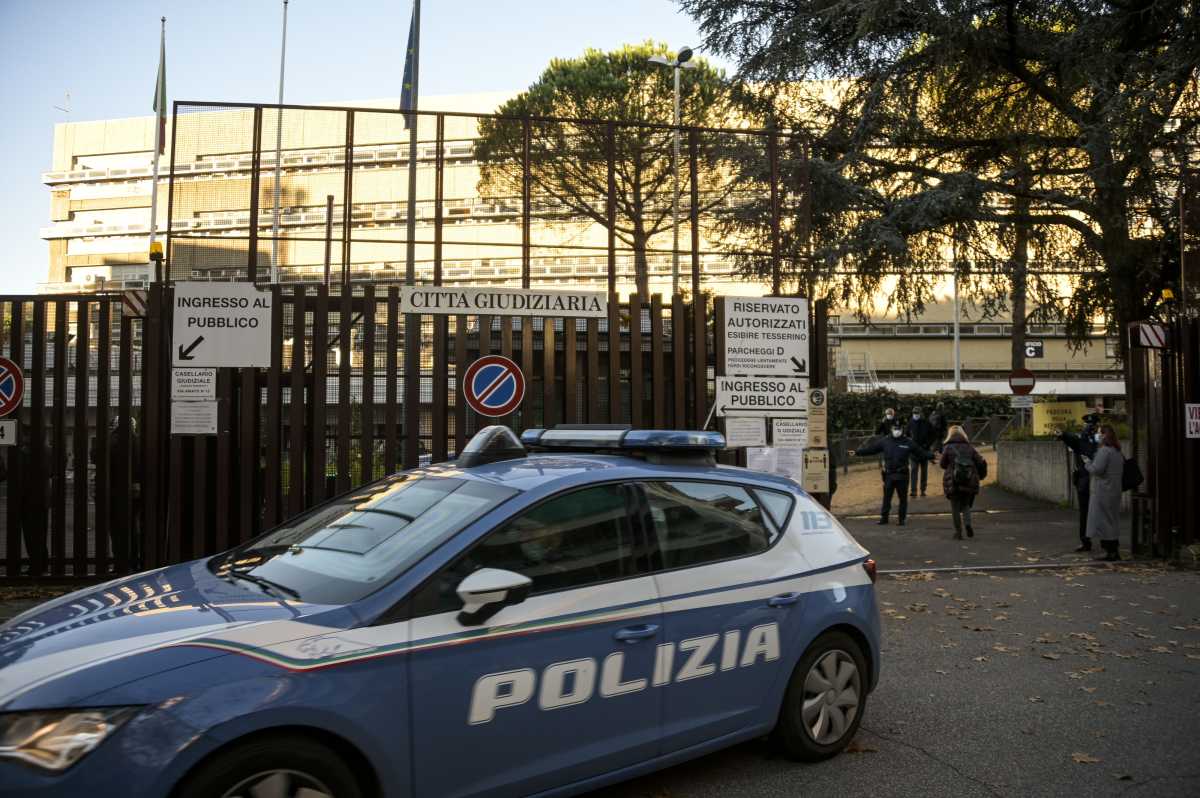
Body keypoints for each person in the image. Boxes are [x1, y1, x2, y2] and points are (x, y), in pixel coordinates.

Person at [851, 422, 935, 526]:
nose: (897, 431)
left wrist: (932, 456)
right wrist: (857, 452)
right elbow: (872, 449)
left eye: (899, 429)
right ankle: (884, 518)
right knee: (887, 497)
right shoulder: (885, 441)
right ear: (891, 429)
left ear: (902, 430)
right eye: (895, 429)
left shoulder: (908, 442)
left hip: (902, 474)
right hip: (889, 474)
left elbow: (920, 453)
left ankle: (901, 519)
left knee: (903, 498)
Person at [1, 422, 51, 575]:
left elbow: (12, 474)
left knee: (30, 535)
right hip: (43, 497)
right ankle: (42, 564)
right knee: (41, 533)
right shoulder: (48, 451)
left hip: (27, 498)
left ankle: (35, 566)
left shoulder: (23, 453)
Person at [1055, 413, 1100, 553]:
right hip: (1088, 482)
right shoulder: (1084, 441)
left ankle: (1102, 543)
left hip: (1093, 482)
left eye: (1091, 425)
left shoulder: (1098, 441)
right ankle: (1089, 541)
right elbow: (1071, 439)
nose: (1089, 428)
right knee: (1087, 513)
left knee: (1093, 513)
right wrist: (1063, 434)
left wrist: (1063, 435)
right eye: (1088, 425)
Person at [1083, 424, 1124, 562]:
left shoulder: (1104, 451)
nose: (1097, 436)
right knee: (1112, 520)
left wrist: (1087, 463)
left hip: (1103, 490)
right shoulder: (1117, 450)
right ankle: (1114, 550)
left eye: (1099, 433)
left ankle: (1110, 551)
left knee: (1103, 520)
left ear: (1104, 435)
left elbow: (1097, 470)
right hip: (1115, 488)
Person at [939, 425, 988, 540]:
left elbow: (942, 464)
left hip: (954, 480)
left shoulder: (948, 447)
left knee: (955, 507)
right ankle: (968, 524)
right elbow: (979, 461)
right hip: (968, 479)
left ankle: (958, 532)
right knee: (965, 505)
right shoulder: (969, 447)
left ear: (950, 435)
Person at [905, 406, 936, 497]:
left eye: (917, 413)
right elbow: (906, 435)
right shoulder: (910, 423)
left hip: (924, 450)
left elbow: (933, 434)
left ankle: (923, 489)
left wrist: (928, 444)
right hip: (913, 452)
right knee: (914, 470)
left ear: (920, 413)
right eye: (914, 413)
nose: (915, 415)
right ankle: (913, 490)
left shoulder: (926, 423)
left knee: (924, 471)